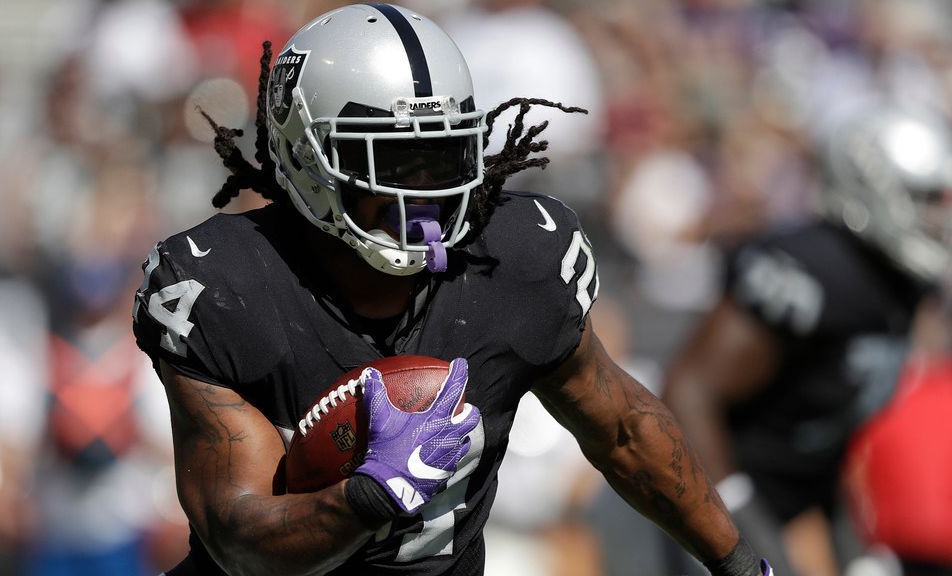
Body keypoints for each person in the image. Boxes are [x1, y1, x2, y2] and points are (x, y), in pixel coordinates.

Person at [132, 4, 771, 575]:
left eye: (441, 161)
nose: (423, 199)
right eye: (391, 165)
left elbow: (625, 432)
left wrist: (739, 564)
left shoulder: (512, 261)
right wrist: (365, 498)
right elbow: (237, 539)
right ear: (306, 155)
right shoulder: (222, 286)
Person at [662, 103, 952, 576]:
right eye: (925, 201)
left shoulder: (900, 288)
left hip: (779, 500)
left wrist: (856, 552)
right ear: (872, 188)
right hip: (699, 490)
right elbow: (688, 391)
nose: (939, 220)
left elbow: (822, 432)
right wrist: (736, 515)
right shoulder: (812, 271)